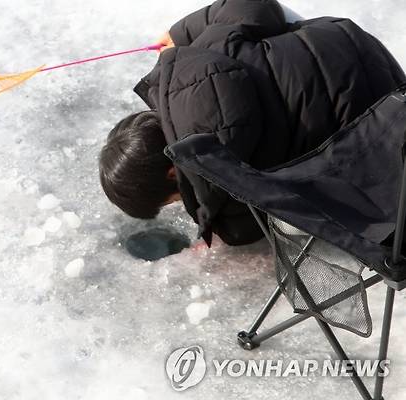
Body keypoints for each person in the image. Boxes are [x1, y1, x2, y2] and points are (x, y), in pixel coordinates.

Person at [99, 0, 405, 247]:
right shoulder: (196, 56)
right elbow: (255, 6)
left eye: (171, 199)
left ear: (169, 172)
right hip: (355, 43)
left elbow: (244, 233)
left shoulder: (217, 175)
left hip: (382, 114)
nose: (180, 203)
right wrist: (181, 33)